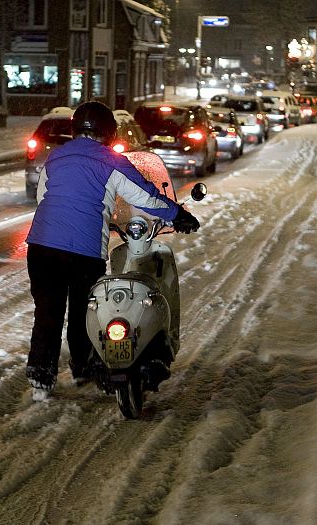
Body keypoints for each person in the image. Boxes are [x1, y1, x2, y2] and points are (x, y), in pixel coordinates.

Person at [25, 100, 200, 398]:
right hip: (83, 248)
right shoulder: (111, 161)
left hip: (42, 245)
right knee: (85, 310)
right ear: (108, 131)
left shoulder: (56, 157)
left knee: (47, 310)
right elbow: (146, 197)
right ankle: (82, 368)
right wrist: (178, 214)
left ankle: (41, 377)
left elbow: (44, 195)